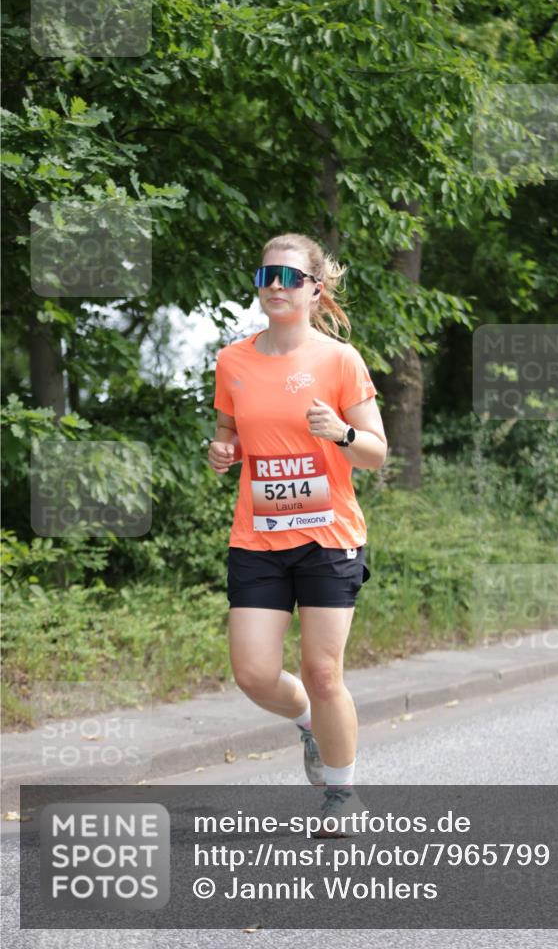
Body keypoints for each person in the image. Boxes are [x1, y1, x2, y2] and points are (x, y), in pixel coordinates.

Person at [208, 232, 387, 836]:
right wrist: (224, 450)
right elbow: (229, 434)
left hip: (328, 536)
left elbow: (376, 453)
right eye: (267, 276)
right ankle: (309, 721)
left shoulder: (340, 360)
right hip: (258, 535)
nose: (276, 287)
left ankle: (342, 794)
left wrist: (341, 433)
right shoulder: (233, 361)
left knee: (323, 669)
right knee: (254, 673)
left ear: (315, 289)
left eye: (289, 277)